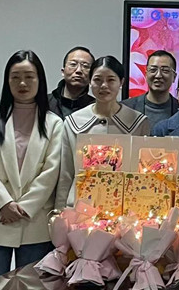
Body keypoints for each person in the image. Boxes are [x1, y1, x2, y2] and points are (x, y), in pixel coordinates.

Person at [0, 50, 63, 281]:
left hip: (35, 221)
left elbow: (51, 172)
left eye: (29, 77)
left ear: (40, 80)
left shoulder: (54, 124)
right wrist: (4, 204)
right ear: (7, 81)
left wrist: (23, 208)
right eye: (15, 77)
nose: (22, 83)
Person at [57, 55, 150, 207]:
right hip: (80, 207)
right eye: (98, 80)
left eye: (111, 80)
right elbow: (66, 174)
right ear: (90, 82)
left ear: (122, 82)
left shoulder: (139, 123)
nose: (104, 85)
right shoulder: (73, 122)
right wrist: (60, 212)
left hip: (124, 209)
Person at [121, 50, 179, 126]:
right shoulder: (125, 108)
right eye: (153, 70)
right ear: (146, 74)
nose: (158, 75)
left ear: (174, 77)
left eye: (165, 70)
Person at [47, 46, 95, 118]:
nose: (79, 70)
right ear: (63, 72)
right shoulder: (45, 103)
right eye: (73, 64)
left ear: (92, 75)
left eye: (85, 66)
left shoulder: (95, 108)